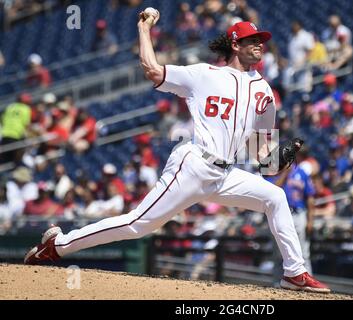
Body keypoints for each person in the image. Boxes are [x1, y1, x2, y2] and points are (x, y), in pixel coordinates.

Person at [23, 11, 330, 293]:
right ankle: (59, 245)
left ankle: (294, 272)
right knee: (137, 225)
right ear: (235, 44)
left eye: (261, 41)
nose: (260, 45)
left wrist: (282, 159)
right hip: (194, 164)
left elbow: (263, 157)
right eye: (253, 40)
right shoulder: (204, 74)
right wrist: (143, 29)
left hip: (226, 174)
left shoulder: (264, 91)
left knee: (275, 197)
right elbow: (152, 70)